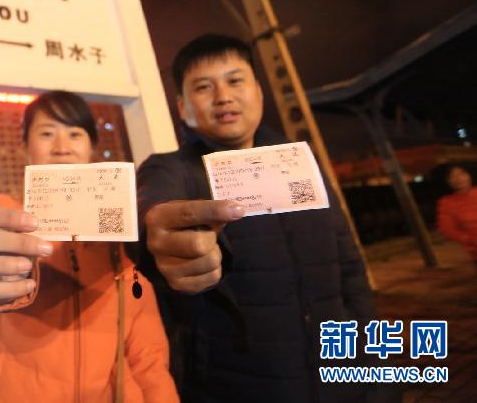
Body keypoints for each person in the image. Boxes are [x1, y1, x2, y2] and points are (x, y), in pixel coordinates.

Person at [135, 34, 391, 402]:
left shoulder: (300, 163)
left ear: (258, 91)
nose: (223, 96)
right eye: (204, 87)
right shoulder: (171, 169)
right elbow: (152, 209)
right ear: (182, 107)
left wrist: (372, 365)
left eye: (235, 80)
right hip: (237, 387)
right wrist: (155, 239)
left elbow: (348, 265)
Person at [0, 91, 179, 403]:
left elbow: (147, 355)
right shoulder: (2, 211)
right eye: (46, 133)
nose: (61, 146)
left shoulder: (121, 235)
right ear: (24, 146)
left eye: (75, 134)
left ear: (92, 147)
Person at [436, 164, 477, 262]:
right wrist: (468, 239)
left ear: (469, 175)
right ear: (448, 181)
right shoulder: (447, 202)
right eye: (452, 176)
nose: (458, 178)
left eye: (462, 174)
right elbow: (446, 228)